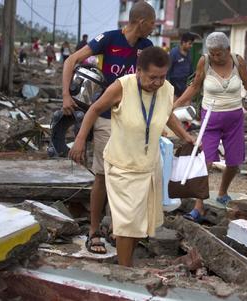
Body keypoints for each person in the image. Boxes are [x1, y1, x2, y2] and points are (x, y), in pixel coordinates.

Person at [70, 47, 194, 267]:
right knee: (128, 224)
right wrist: (80, 139)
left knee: (140, 223)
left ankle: (125, 262)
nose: (157, 82)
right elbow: (94, 110)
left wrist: (186, 136)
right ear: (138, 71)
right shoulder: (122, 86)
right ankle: (124, 272)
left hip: (149, 165)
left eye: (162, 77)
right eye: (152, 77)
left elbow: (167, 115)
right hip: (122, 166)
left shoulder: (166, 89)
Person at [62, 1, 155, 254]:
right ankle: (93, 231)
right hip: (104, 117)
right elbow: (71, 60)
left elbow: (153, 83)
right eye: (153, 24)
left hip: (132, 122)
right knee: (102, 177)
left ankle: (118, 227)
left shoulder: (147, 48)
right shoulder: (109, 39)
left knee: (125, 178)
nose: (154, 28)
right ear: (141, 22)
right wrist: (66, 96)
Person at [174, 32, 247, 222]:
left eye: (218, 53)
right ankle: (199, 206)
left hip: (234, 118)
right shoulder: (204, 62)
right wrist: (176, 104)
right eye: (212, 53)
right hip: (210, 118)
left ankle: (222, 192)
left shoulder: (238, 61)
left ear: (228, 50)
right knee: (206, 161)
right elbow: (195, 86)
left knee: (234, 161)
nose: (215, 57)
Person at [167, 32, 195, 99]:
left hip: (185, 84)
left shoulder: (189, 54)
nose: (191, 46)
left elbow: (191, 69)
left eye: (192, 44)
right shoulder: (174, 53)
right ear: (183, 42)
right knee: (174, 106)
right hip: (174, 85)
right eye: (190, 43)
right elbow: (168, 68)